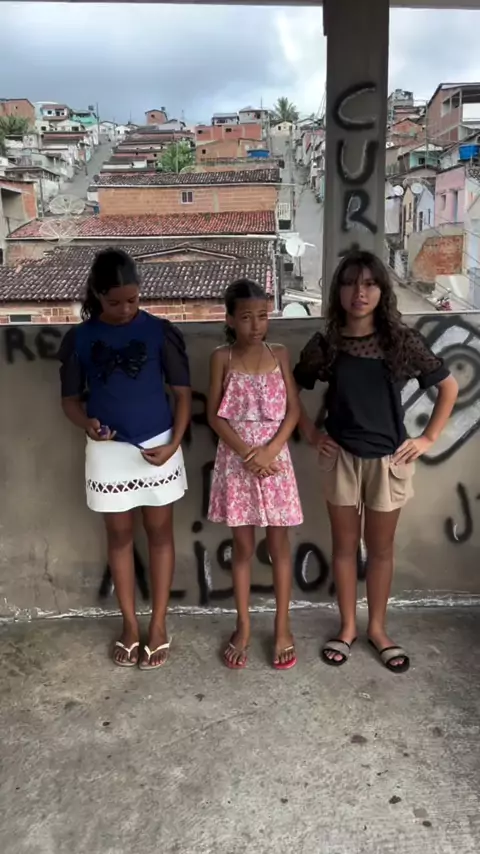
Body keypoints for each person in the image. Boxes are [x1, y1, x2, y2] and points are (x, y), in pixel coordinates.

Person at [293, 251, 458, 673]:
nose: (359, 292)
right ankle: (348, 627)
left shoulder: (400, 341)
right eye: (350, 283)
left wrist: (428, 438)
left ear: (382, 290)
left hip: (389, 460)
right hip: (342, 460)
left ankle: (378, 629)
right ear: (338, 291)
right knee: (345, 548)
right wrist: (312, 434)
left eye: (369, 283)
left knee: (380, 550)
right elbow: (291, 388)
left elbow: (448, 387)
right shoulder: (326, 344)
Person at [59, 249, 191, 669]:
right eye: (114, 302)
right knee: (118, 537)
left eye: (132, 300)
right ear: (97, 295)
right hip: (107, 453)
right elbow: (69, 401)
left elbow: (182, 394)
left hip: (159, 448)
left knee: (160, 534)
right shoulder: (80, 339)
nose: (125, 309)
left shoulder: (160, 332)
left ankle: (159, 625)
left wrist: (174, 444)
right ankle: (130, 625)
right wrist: (87, 423)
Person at [207, 279, 303, 670]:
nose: (256, 325)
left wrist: (270, 450)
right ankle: (243, 625)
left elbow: (294, 410)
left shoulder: (279, 353)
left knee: (279, 547)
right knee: (243, 547)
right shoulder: (222, 357)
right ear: (230, 319)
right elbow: (214, 415)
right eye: (246, 317)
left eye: (262, 316)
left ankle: (282, 627)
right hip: (237, 461)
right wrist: (248, 453)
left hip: (276, 461)